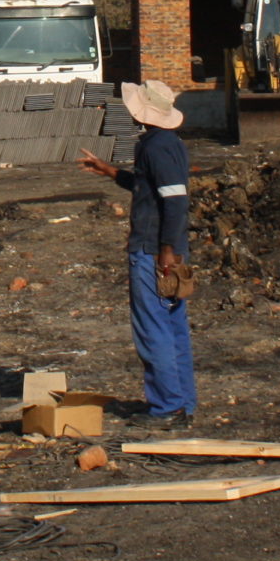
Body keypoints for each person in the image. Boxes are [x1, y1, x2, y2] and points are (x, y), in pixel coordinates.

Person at [80, 79, 196, 428]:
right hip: (167, 249)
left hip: (153, 250)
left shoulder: (155, 147)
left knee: (153, 328)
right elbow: (151, 189)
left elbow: (175, 200)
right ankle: (181, 403)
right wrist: (111, 171)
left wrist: (165, 252)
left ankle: (167, 406)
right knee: (173, 326)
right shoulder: (167, 144)